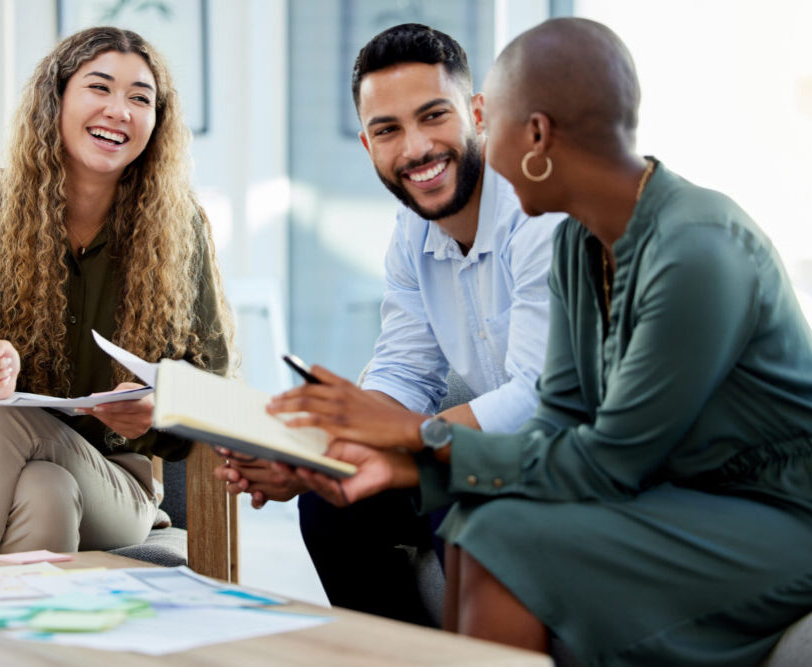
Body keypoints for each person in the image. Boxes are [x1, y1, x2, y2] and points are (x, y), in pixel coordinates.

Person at [266, 17, 812, 666]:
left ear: (534, 135)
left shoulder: (696, 248)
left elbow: (609, 460)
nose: (478, 151)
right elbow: (558, 416)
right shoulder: (581, 242)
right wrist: (392, 457)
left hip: (771, 512)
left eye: (486, 121)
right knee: (482, 524)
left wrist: (414, 442)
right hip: (669, 488)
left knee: (500, 537)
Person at [215, 23, 562, 625]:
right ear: (367, 143)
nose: (416, 148)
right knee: (330, 503)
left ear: (478, 113)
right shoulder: (412, 230)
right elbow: (404, 370)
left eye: (434, 116)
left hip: (554, 456)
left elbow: (537, 397)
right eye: (388, 130)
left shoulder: (538, 215)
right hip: (480, 445)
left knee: (452, 489)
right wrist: (312, 456)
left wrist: (401, 436)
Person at [0, 27, 233, 561]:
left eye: (140, 98)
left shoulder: (180, 226)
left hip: (109, 480)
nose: (119, 110)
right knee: (44, 490)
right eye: (99, 87)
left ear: (157, 122)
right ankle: (11, 620)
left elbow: (212, 384)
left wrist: (157, 411)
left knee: (2, 425)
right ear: (56, 98)